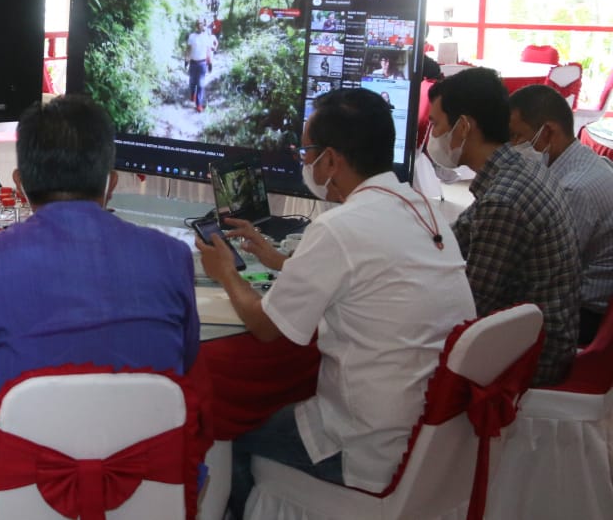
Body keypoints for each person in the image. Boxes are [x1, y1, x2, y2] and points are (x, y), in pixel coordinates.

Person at [198, 88, 475, 516]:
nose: (303, 163)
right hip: (431, 434)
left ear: (331, 159)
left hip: (363, 443)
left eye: (306, 152)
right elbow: (361, 277)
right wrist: (274, 258)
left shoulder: (341, 227)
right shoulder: (424, 209)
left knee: (230, 429)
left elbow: (265, 327)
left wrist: (226, 273)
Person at [0, 95, 201, 516]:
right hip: (147, 486)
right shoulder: (171, 256)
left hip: (25, 487)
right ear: (110, 183)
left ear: (18, 183)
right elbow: (187, 354)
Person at [427, 67, 579, 385]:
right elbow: (459, 236)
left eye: (436, 124)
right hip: (542, 335)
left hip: (534, 358)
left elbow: (470, 309)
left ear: (464, 126)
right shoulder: (517, 168)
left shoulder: (503, 200)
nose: (433, 136)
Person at [509, 83, 613, 344]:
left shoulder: (572, 189)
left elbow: (548, 274)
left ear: (548, 132)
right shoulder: (583, 160)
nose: (512, 146)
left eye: (517, 136)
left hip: (584, 316)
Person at [185, 19, 216, 112]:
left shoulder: (206, 37)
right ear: (196, 26)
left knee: (201, 84)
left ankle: (198, 104)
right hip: (193, 63)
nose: (200, 26)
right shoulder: (192, 36)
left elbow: (208, 51)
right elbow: (188, 49)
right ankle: (192, 94)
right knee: (192, 81)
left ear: (203, 26)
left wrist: (210, 63)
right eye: (198, 24)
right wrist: (186, 60)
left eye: (201, 25)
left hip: (202, 63)